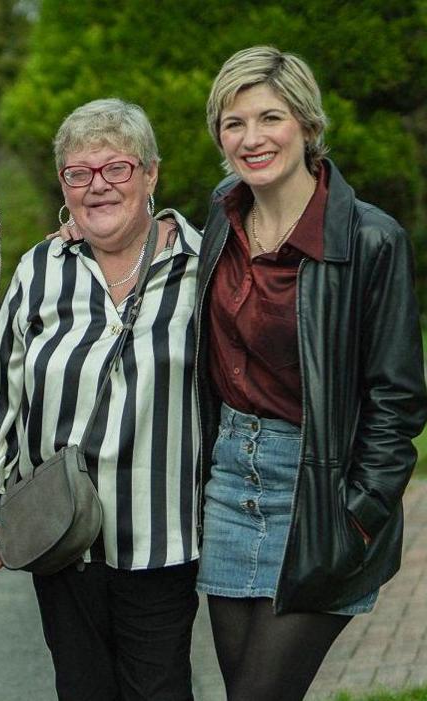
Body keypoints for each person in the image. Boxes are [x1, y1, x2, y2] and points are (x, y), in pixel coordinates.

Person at [195, 46, 427, 700]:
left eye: (270, 118)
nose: (251, 137)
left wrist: (356, 516)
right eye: (233, 122)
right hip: (229, 488)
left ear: (306, 123)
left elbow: (398, 401)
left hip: (318, 492)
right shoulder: (221, 216)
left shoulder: (371, 240)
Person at [0, 98, 203, 701]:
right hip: (61, 537)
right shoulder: (41, 268)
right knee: (81, 688)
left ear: (151, 175)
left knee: (160, 690)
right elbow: (1, 391)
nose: (98, 186)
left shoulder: (202, 267)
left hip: (164, 539)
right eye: (79, 173)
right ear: (64, 185)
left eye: (117, 169)